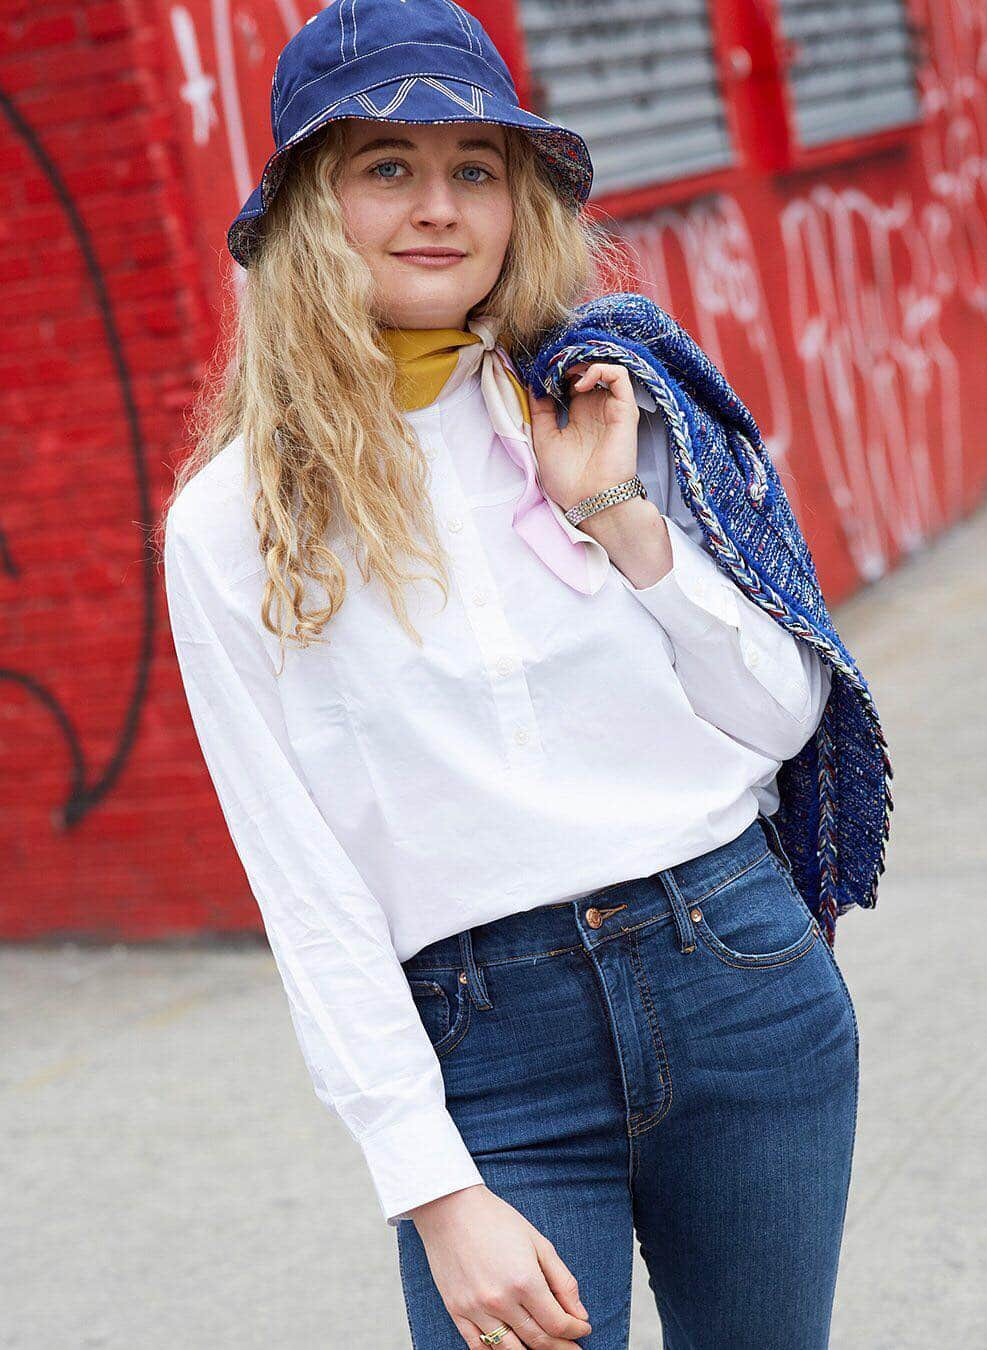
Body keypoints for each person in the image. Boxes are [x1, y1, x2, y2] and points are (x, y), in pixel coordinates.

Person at [161, 3, 858, 1346]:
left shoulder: (608, 399)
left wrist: (618, 517)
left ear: (517, 200)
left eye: (474, 167)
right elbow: (304, 884)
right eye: (386, 168)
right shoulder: (232, 519)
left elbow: (779, 714)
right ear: (311, 207)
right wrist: (431, 1186)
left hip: (741, 975)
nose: (438, 207)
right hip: (489, 1054)